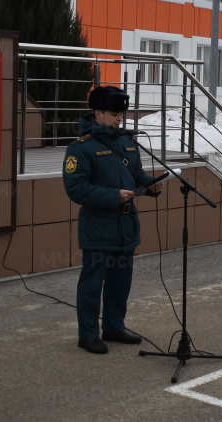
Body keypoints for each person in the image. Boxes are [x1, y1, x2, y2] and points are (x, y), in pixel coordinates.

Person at [63, 86, 163, 354]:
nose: (120, 118)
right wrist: (113, 196)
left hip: (126, 226)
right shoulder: (80, 147)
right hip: (98, 226)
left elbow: (137, 174)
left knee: (121, 282)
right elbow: (76, 188)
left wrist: (150, 185)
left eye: (122, 113)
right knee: (92, 284)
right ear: (97, 113)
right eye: (114, 113)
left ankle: (114, 327)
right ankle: (87, 334)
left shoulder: (126, 142)